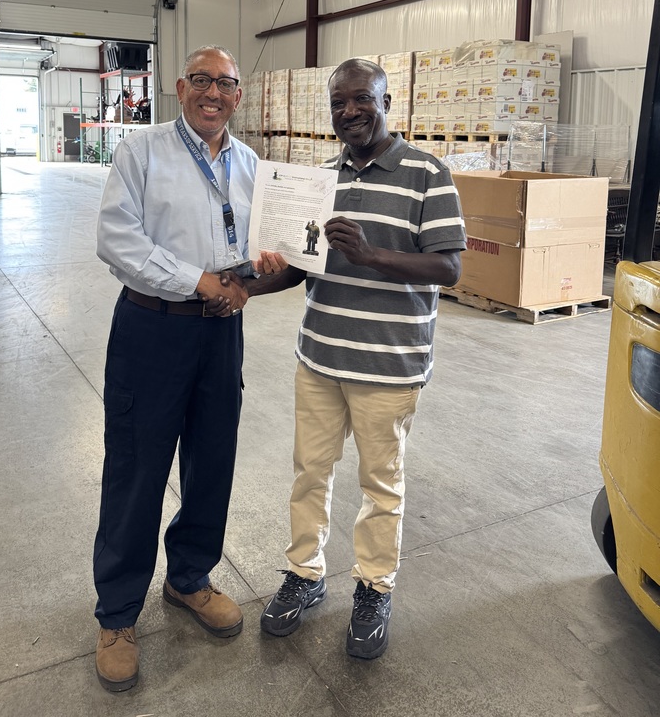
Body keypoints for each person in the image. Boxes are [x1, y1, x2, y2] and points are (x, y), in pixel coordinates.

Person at [249, 57, 466, 660]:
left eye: (361, 100)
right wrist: (243, 286)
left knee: (381, 485)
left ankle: (374, 588)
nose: (350, 112)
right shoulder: (320, 180)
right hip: (319, 357)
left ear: (386, 100)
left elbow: (449, 266)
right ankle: (305, 575)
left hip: (389, 365)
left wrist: (372, 256)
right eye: (339, 103)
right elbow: (298, 266)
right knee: (309, 474)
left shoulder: (428, 174)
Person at [92, 45, 284, 692]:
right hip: (153, 328)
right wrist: (199, 280)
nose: (213, 93)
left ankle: (189, 577)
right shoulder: (141, 152)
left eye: (226, 84)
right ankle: (117, 613)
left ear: (237, 96)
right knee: (137, 468)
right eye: (202, 81)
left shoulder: (252, 164)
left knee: (212, 462)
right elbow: (117, 241)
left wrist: (266, 272)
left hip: (220, 334)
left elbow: (259, 246)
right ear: (181, 88)